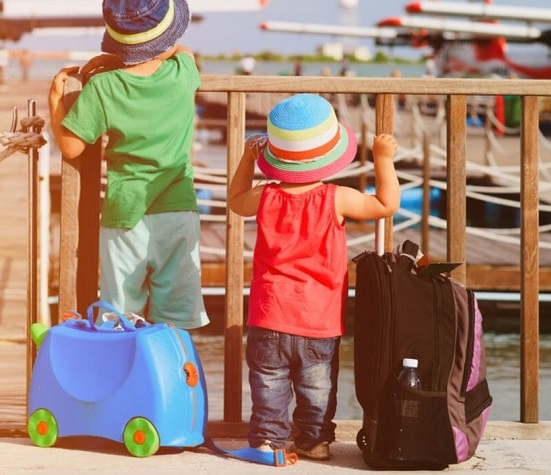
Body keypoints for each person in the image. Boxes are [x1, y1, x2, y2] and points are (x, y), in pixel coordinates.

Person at [228, 94, 400, 461]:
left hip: (268, 315)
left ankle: (269, 443)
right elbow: (384, 205)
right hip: (319, 321)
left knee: (269, 386)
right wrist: (383, 160)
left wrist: (247, 157)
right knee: (317, 388)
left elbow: (235, 198)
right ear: (329, 156)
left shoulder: (264, 197)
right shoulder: (336, 198)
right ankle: (314, 440)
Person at [48, 0, 209, 330]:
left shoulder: (102, 87)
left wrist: (55, 98)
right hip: (177, 209)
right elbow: (183, 50)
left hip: (125, 212)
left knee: (119, 315)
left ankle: (124, 377)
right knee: (177, 317)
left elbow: (70, 146)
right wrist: (128, 54)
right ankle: (175, 375)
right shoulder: (182, 73)